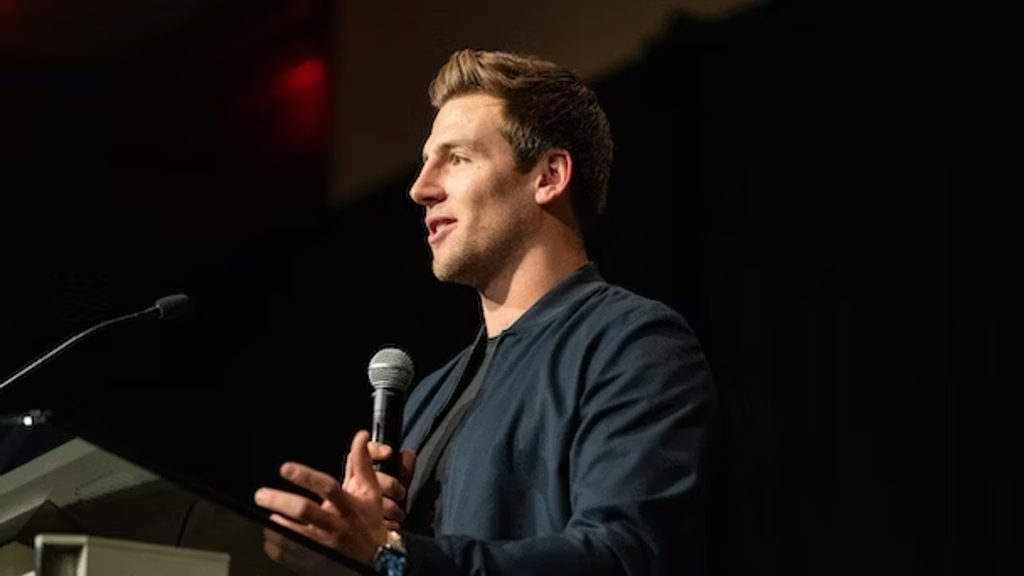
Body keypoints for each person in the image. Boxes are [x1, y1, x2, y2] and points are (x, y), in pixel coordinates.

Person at [254, 49, 716, 576]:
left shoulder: (630, 344)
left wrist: (393, 556)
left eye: (457, 158)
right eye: (427, 160)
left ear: (549, 176)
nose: (420, 188)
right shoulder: (427, 397)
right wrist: (347, 551)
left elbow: (624, 557)